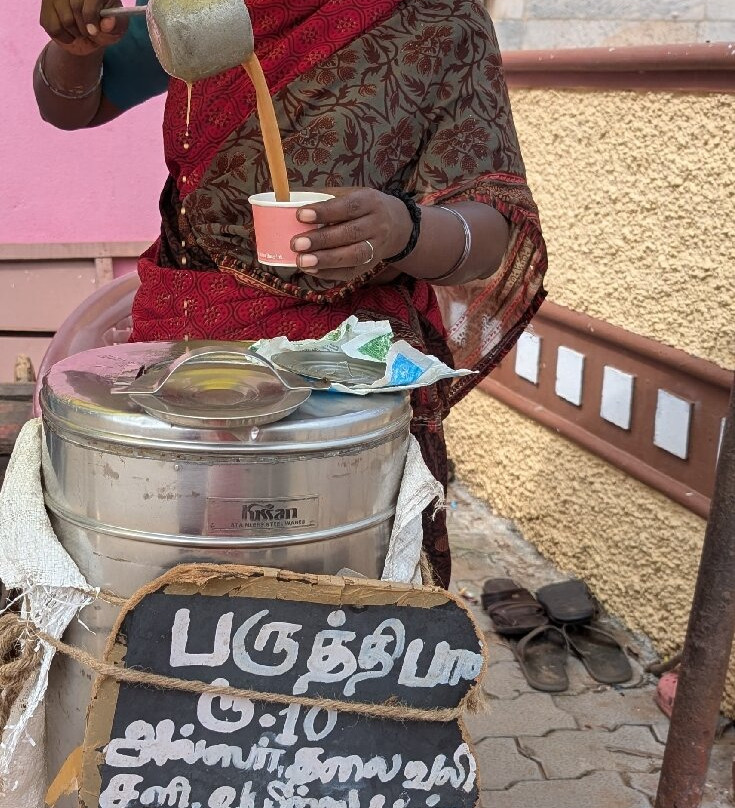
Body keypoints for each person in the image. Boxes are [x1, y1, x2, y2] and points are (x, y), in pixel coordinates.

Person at [33, 0, 548, 588]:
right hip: (185, 354)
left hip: (335, 382)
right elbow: (74, 105)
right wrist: (78, 50)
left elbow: (493, 231)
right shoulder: (210, 12)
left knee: (322, 601)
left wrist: (402, 230)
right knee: (164, 592)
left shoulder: (435, 19)